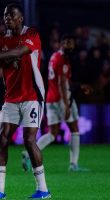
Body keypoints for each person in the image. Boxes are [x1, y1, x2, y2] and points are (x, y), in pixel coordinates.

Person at [0, 3, 51, 199]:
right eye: (6, 15)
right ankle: (0, 191)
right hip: (11, 97)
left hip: (33, 95)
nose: (7, 18)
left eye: (12, 15)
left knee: (29, 140)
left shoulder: (31, 34)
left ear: (20, 18)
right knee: (2, 138)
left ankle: (43, 189)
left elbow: (18, 52)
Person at [22, 34, 92, 172]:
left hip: (50, 98)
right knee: (74, 129)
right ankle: (73, 165)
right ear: (61, 44)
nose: (69, 45)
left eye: (71, 42)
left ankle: (28, 153)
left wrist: (79, 86)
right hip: (62, 98)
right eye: (66, 42)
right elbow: (61, 83)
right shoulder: (63, 59)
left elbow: (62, 80)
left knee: (53, 133)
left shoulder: (54, 57)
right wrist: (66, 105)